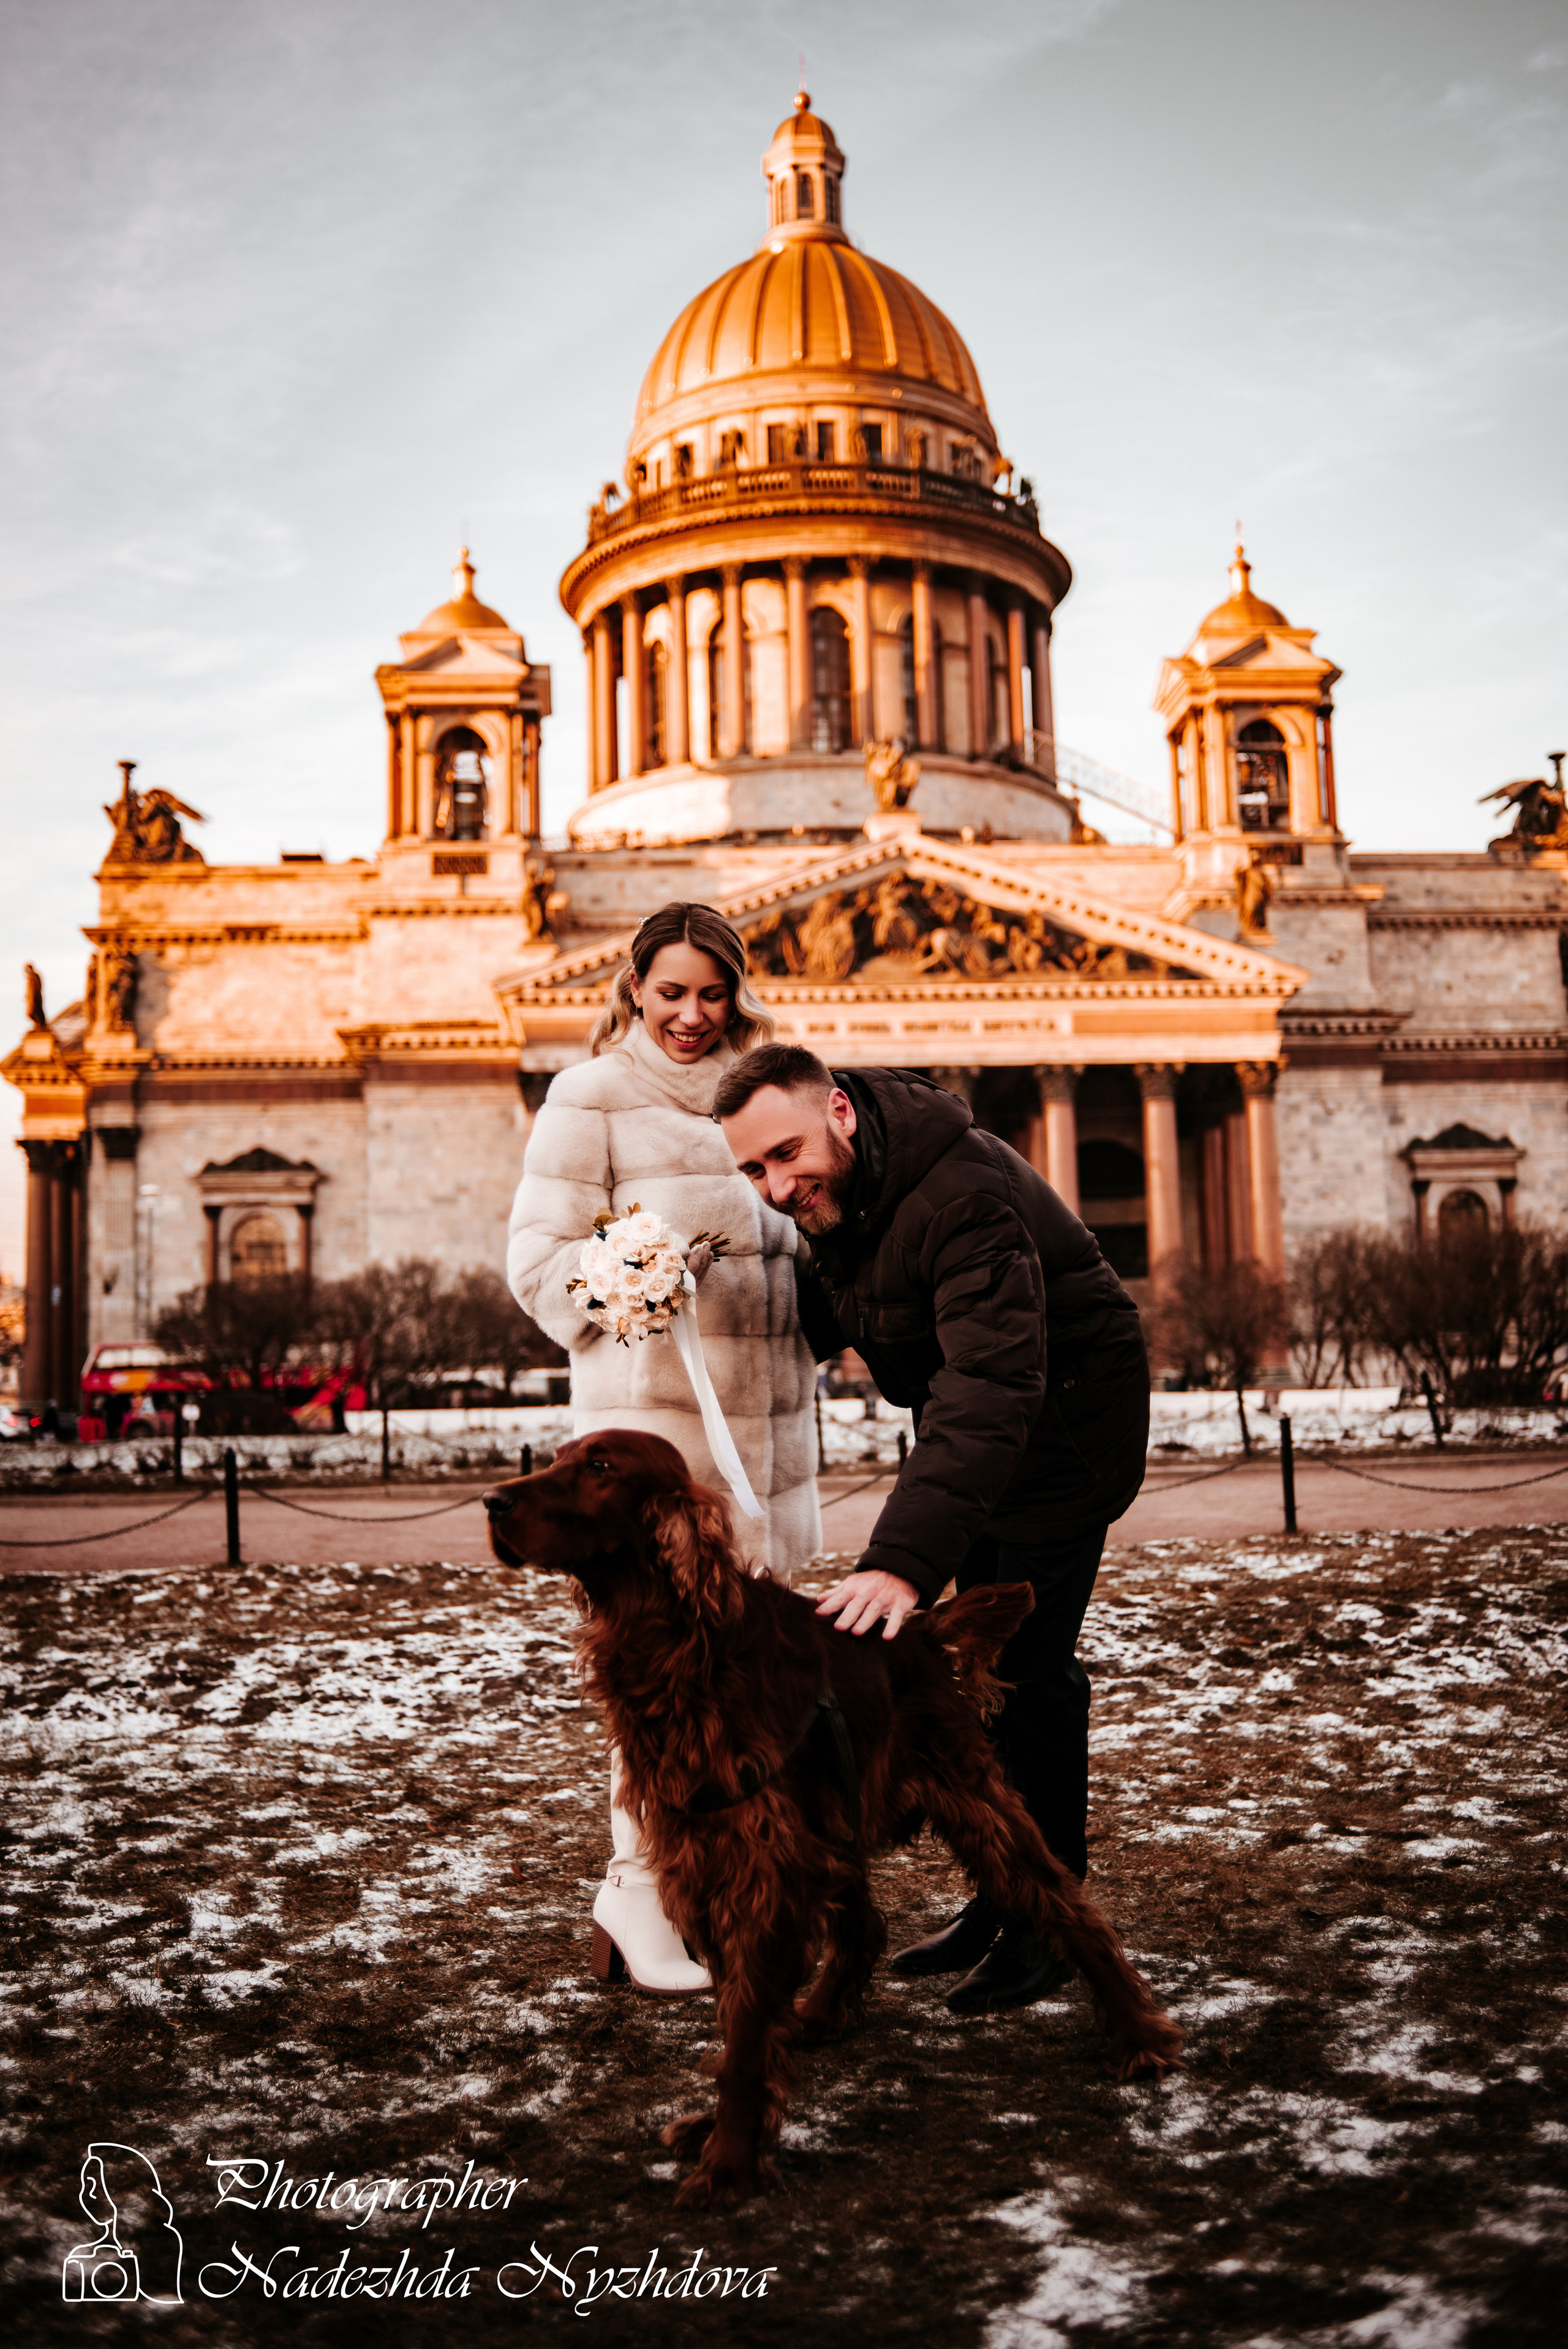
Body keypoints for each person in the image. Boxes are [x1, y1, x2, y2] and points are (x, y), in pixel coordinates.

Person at [714, 1043, 1149, 2014]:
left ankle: (1048, 1917)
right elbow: (837, 1317)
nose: (780, 1186)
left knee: (1030, 1672)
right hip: (986, 1430)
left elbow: (994, 1381)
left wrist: (904, 1564)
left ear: (841, 1110)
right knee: (974, 1679)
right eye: (755, 1170)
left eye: (787, 1153)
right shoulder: (848, 1195)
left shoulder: (957, 1194)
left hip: (1065, 1425)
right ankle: (1001, 1897)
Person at [507, 906, 822, 1995]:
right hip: (652, 1456)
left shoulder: (769, 1092)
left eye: (713, 992)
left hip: (765, 1444)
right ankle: (636, 1894)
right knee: (659, 1688)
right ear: (635, 987)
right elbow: (541, 1274)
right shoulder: (589, 1096)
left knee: (753, 1689)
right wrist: (637, 1266)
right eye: (671, 991)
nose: (693, 1016)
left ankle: (733, 1895)